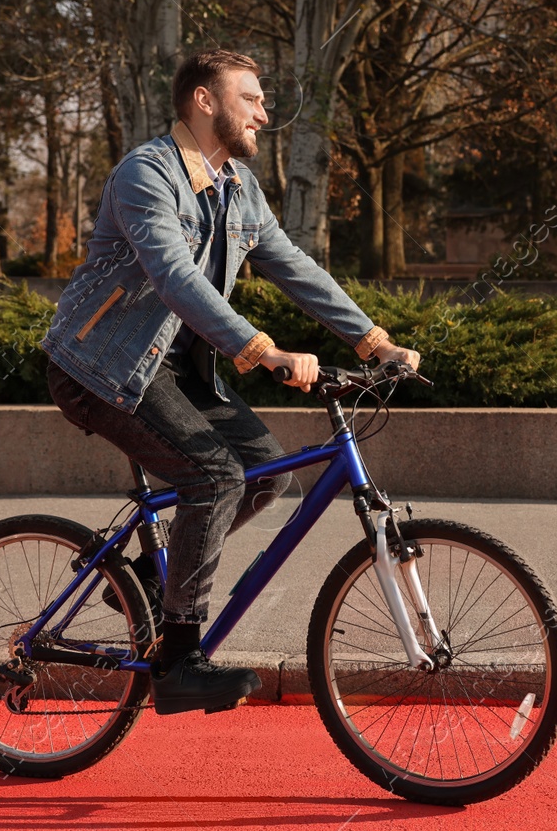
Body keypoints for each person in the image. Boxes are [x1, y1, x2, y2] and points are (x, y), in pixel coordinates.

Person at [40, 48, 420, 715]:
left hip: (179, 370)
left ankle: (151, 589)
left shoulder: (239, 188)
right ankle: (181, 659)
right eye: (252, 98)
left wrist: (374, 340)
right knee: (213, 476)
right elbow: (173, 275)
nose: (264, 113)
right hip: (102, 366)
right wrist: (261, 349)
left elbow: (295, 267)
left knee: (268, 473)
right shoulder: (146, 174)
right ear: (204, 101)